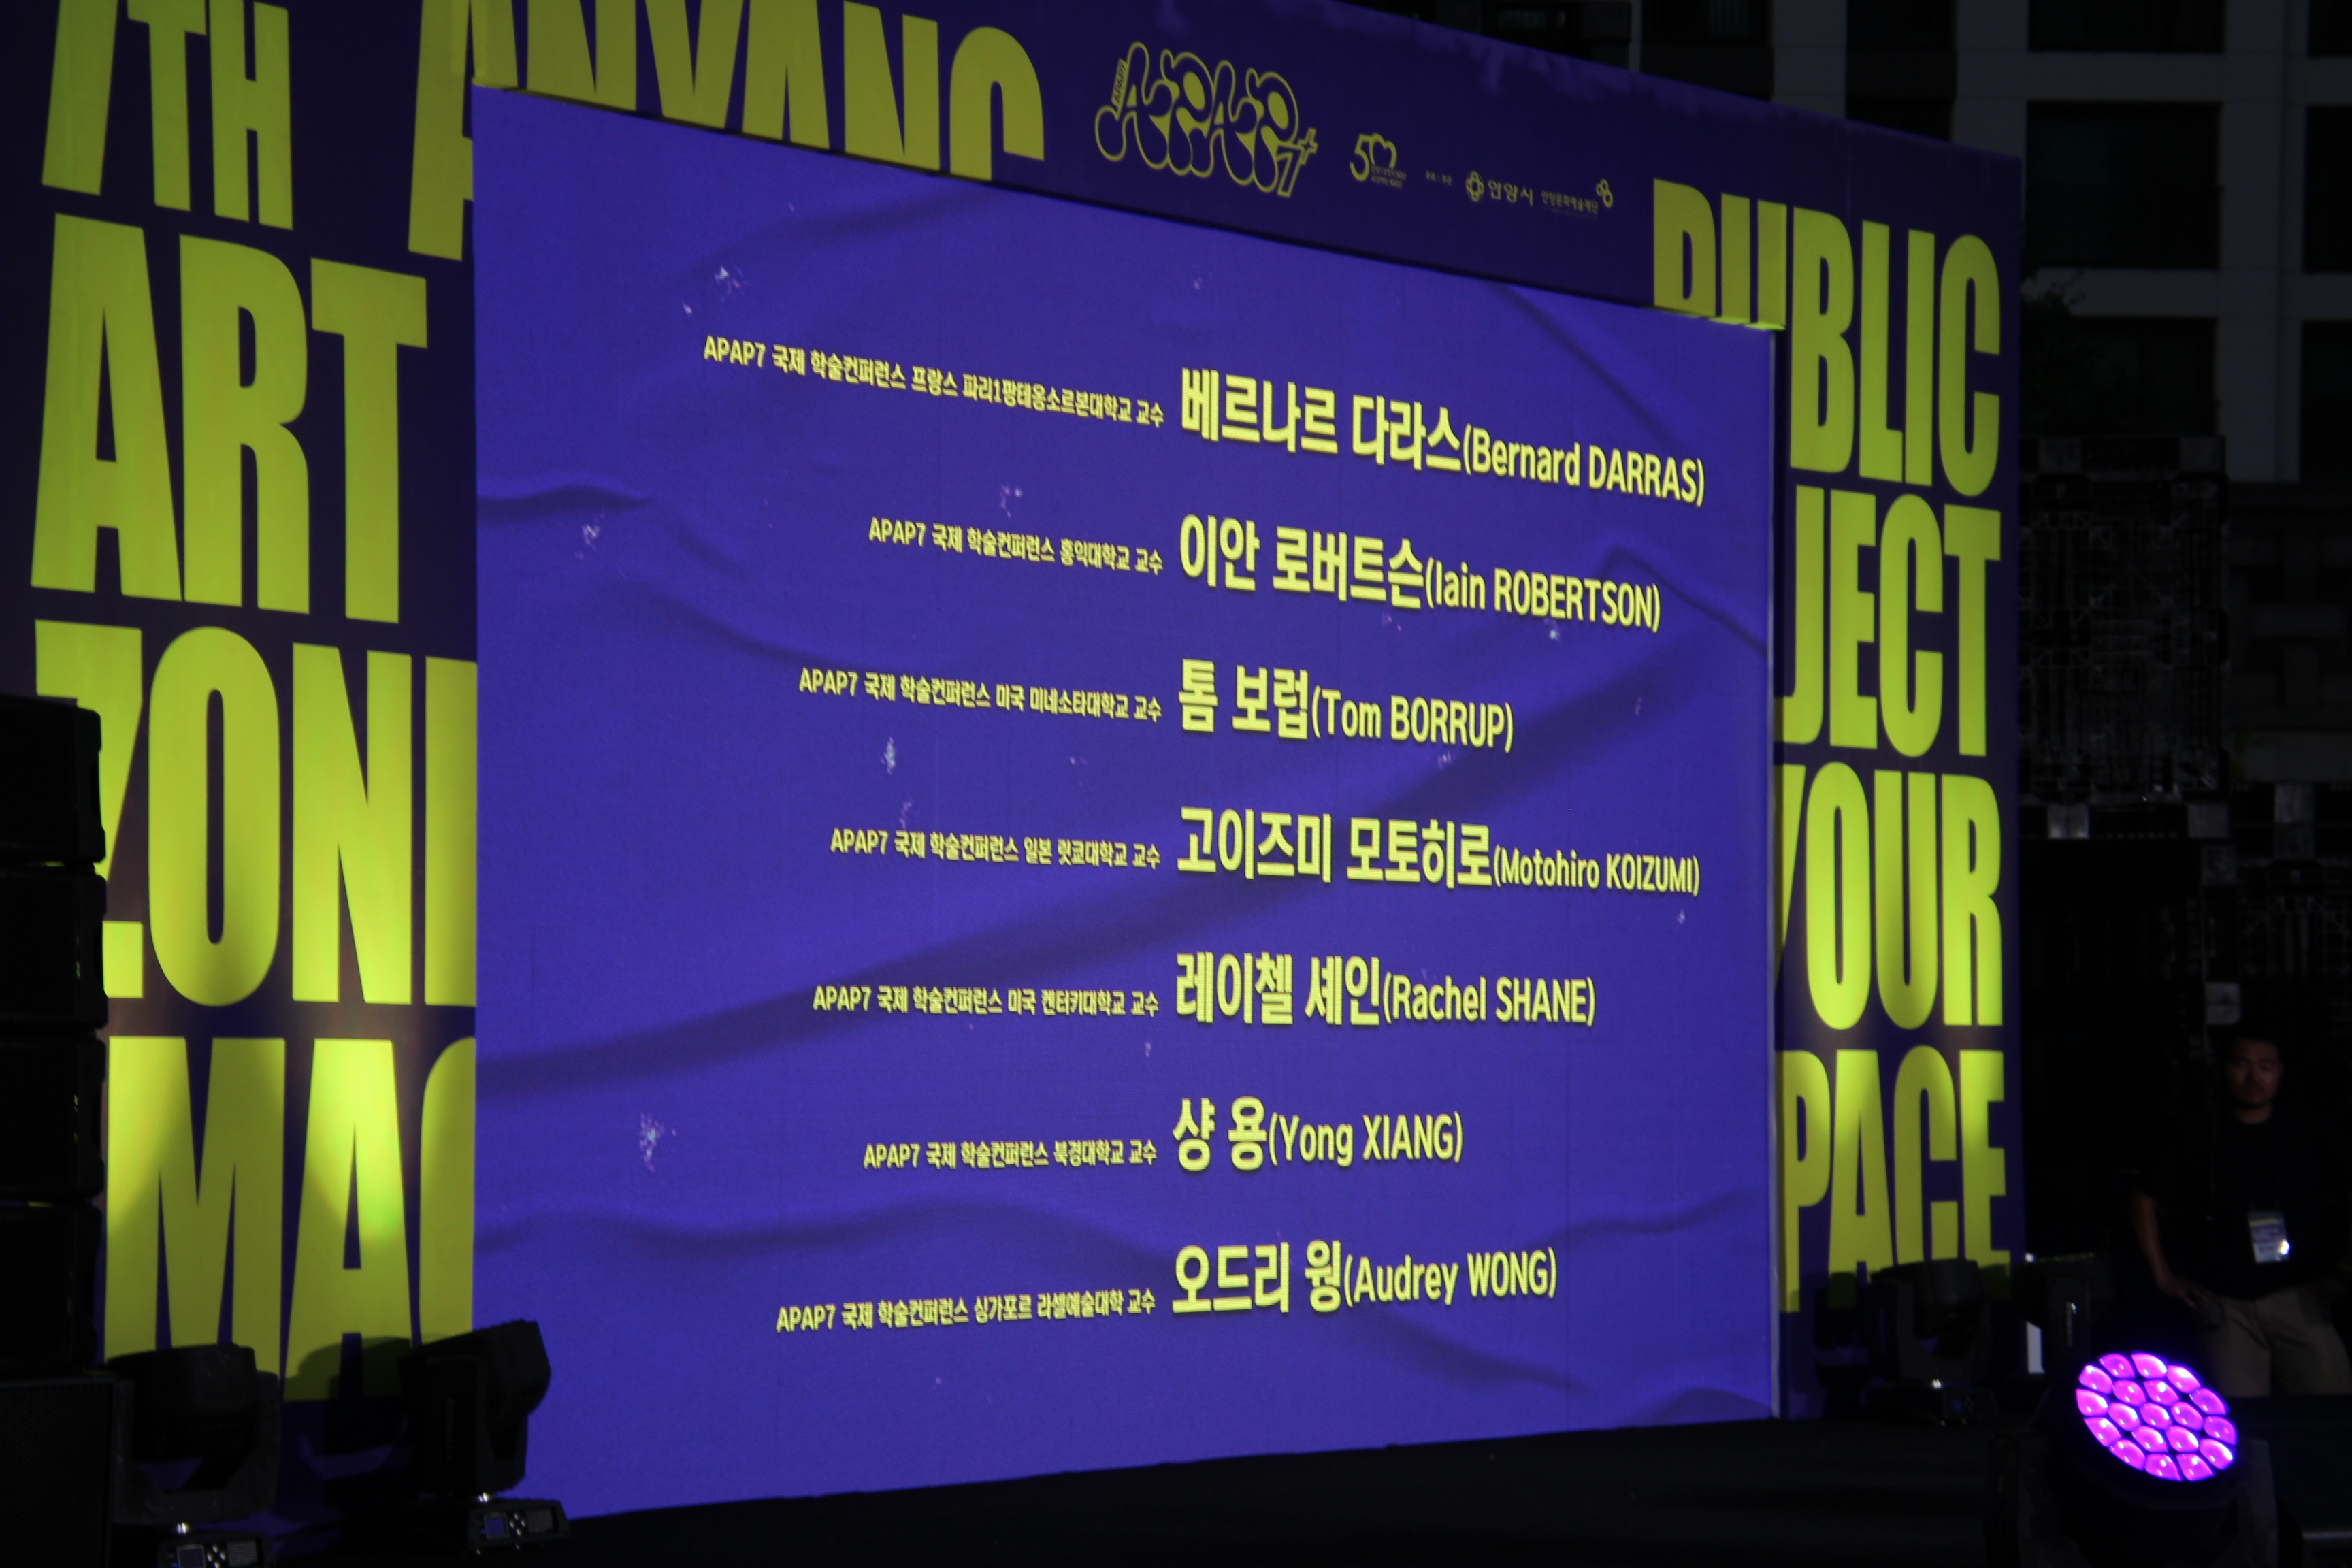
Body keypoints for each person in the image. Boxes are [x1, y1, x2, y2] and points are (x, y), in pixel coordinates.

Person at [2130, 1034, 2352, 1396]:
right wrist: (2163, 1277)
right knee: (2239, 1416)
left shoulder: (2308, 1132)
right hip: (2225, 1301)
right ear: (2223, 1069)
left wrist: (2344, 1270)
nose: (2254, 1077)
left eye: (2265, 1066)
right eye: (2241, 1065)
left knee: (2330, 1406)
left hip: (2300, 1296)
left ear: (2280, 1072)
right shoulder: (2199, 1134)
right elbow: (2144, 1201)